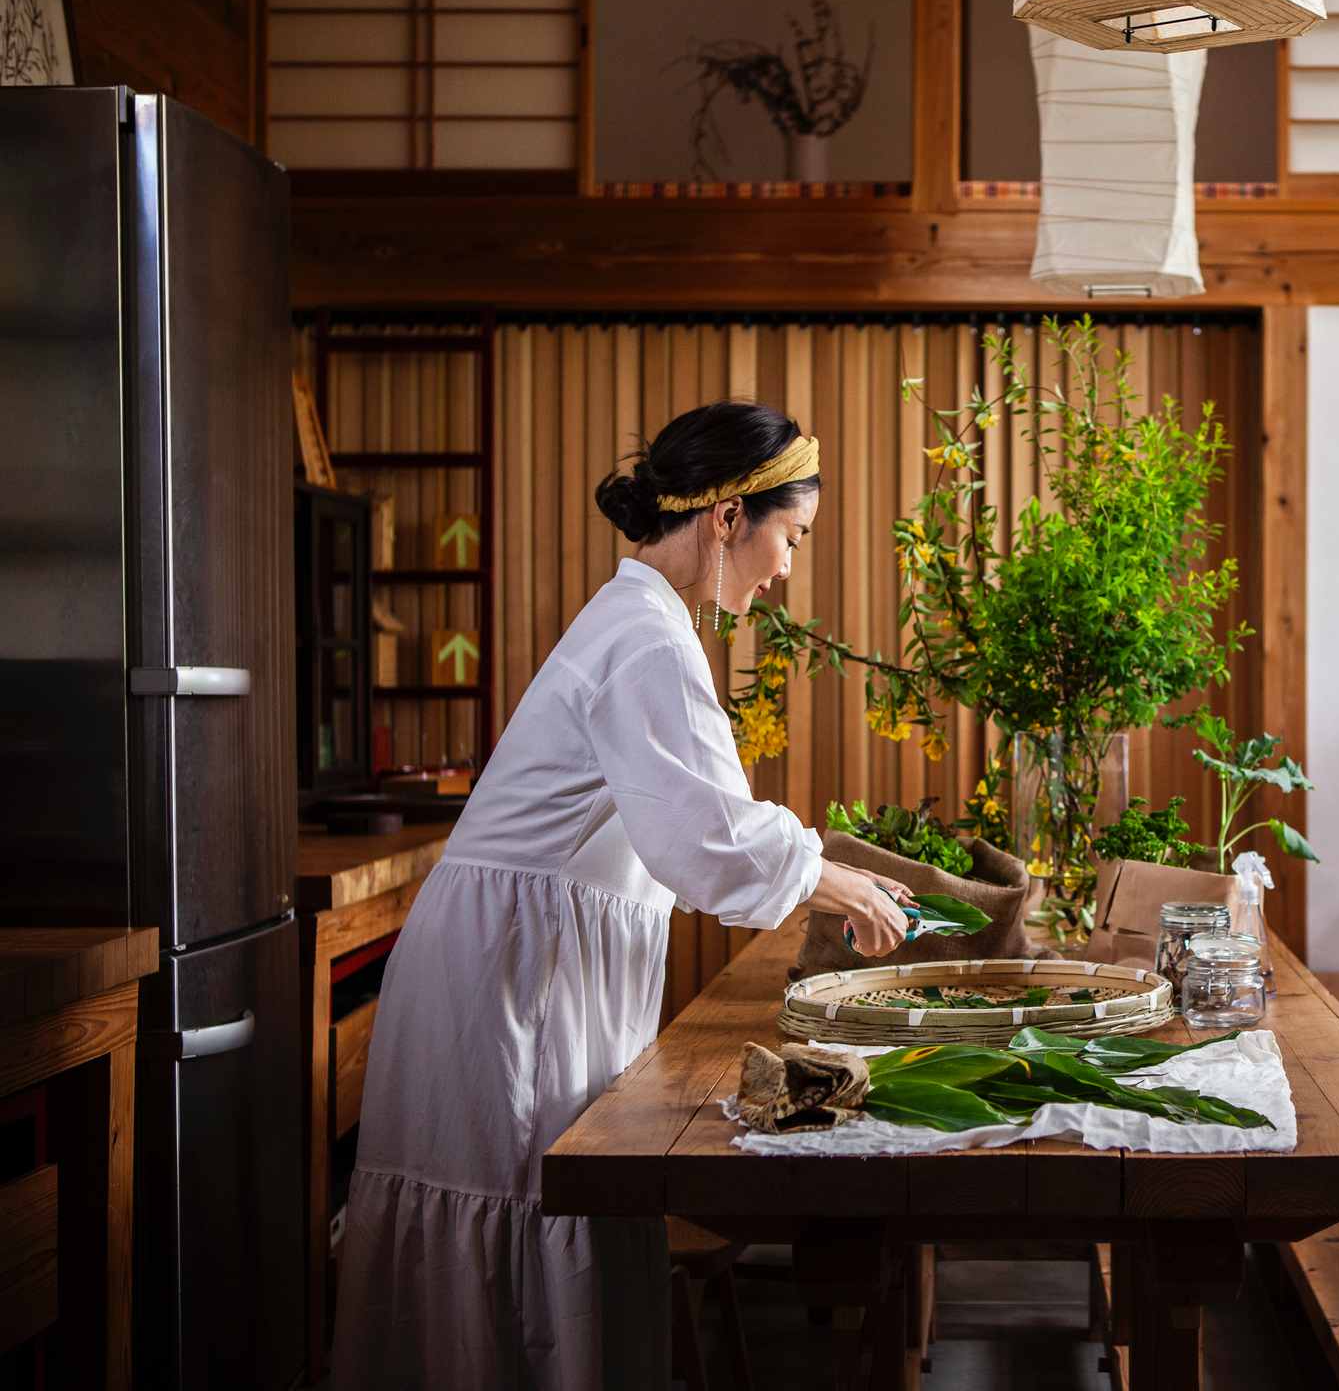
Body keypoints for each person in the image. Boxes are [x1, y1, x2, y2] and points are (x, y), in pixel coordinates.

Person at [332, 401, 913, 1389]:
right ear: (727, 516)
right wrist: (836, 873)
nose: (786, 568)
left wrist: (824, 866)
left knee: (537, 1211)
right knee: (527, 1206)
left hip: (517, 954)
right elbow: (708, 842)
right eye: (789, 536)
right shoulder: (648, 637)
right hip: (513, 973)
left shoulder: (645, 622)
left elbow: (696, 826)